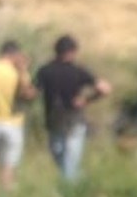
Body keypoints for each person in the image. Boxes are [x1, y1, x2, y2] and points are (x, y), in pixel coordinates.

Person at [34, 35, 112, 182]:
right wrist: (87, 99)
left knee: (60, 159)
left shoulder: (44, 71)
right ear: (72, 52)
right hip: (74, 121)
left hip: (53, 121)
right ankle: (75, 186)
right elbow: (105, 89)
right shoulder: (78, 71)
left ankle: (70, 191)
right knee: (69, 163)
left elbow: (32, 93)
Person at [0, 40, 37, 192]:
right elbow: (28, 95)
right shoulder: (18, 72)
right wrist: (23, 70)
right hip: (13, 124)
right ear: (15, 54)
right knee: (8, 166)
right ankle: (6, 195)